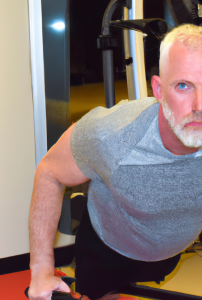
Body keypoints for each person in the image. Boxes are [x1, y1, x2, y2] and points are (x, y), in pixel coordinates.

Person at [28, 24, 202, 300]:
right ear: (158, 89)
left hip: (171, 252)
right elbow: (50, 171)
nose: (199, 105)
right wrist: (40, 271)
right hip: (107, 249)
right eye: (183, 86)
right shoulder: (112, 135)